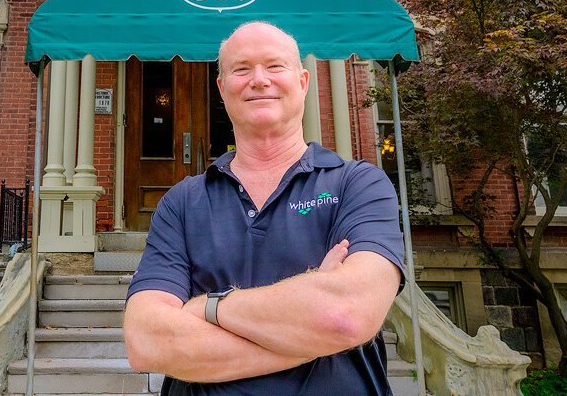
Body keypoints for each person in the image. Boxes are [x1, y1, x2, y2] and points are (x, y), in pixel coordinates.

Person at [123, 21, 405, 393]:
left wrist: (208, 307)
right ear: (222, 89)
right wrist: (310, 330)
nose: (259, 79)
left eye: (275, 66)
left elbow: (344, 316)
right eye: (241, 69)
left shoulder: (358, 184)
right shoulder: (182, 202)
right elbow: (147, 342)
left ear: (303, 82)